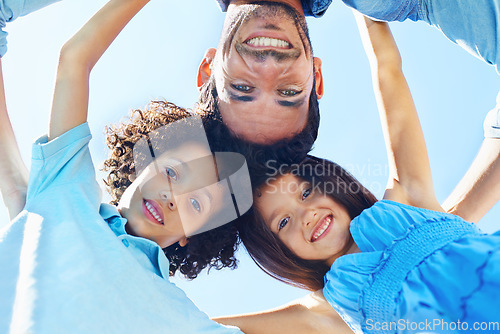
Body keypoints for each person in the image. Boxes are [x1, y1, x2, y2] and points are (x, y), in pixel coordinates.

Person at [217, 15, 500, 333]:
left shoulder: (405, 201)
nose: (305, 216)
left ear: (329, 184)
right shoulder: (330, 306)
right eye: (283, 223)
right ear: (280, 253)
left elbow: (387, 70)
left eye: (306, 192)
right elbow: (191, 325)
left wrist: (364, 10)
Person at [0, 0, 251, 332]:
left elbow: (322, 319)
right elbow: (75, 59)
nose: (173, 198)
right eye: (173, 172)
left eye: (195, 204)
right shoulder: (67, 187)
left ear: (189, 237)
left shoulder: (183, 317)